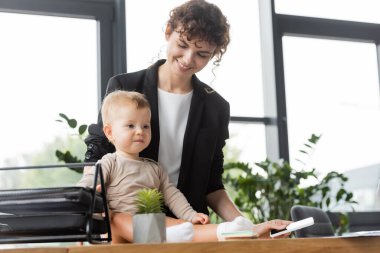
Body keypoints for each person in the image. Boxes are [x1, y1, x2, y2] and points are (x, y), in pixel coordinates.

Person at [83, 0, 291, 242]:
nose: (188, 59)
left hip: (188, 224)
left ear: (213, 54)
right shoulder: (125, 87)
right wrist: (86, 207)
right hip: (126, 221)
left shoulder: (216, 107)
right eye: (182, 45)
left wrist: (249, 228)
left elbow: (213, 185)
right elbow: (97, 154)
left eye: (202, 54)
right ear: (168, 32)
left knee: (195, 232)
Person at [78, 90, 209, 242]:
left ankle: (227, 230)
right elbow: (84, 187)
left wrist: (191, 215)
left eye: (146, 126)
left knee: (183, 224)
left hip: (149, 226)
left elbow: (172, 196)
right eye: (130, 126)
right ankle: (164, 236)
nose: (140, 131)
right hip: (115, 232)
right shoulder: (109, 163)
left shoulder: (154, 168)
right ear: (109, 132)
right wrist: (89, 197)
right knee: (118, 219)